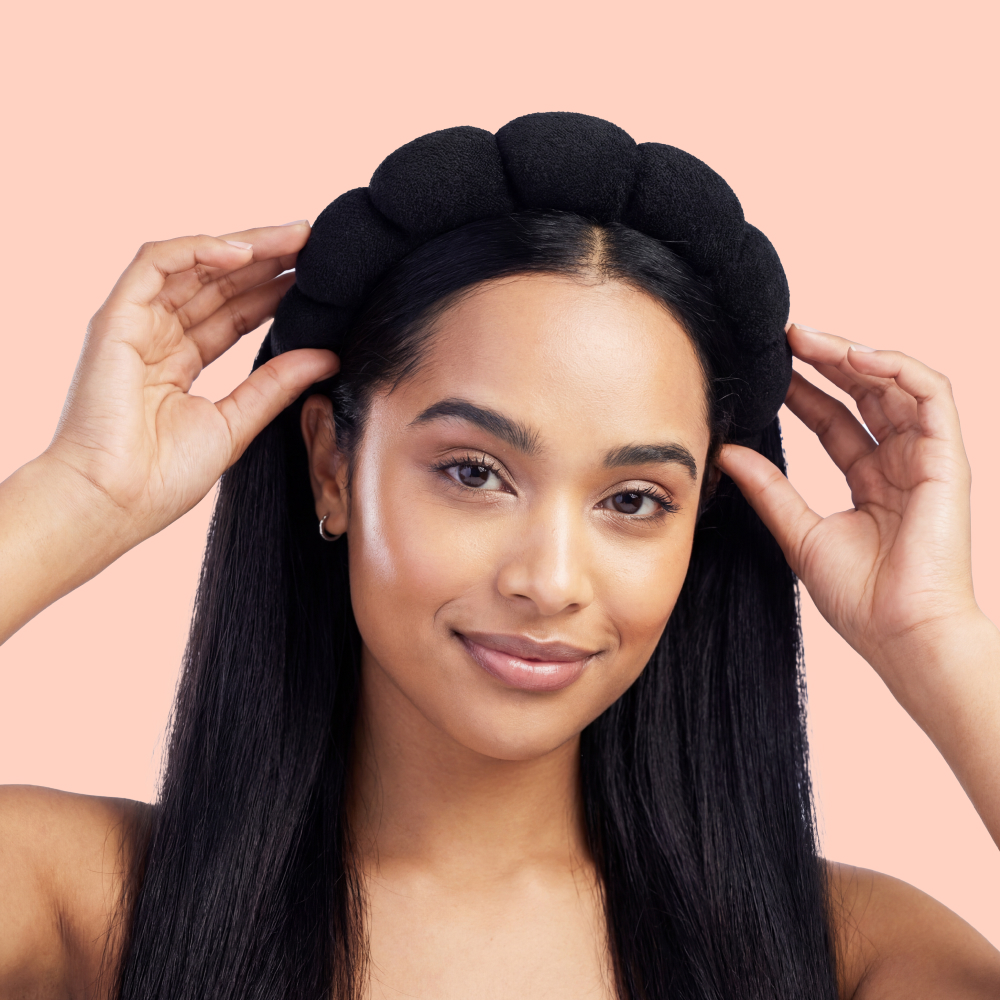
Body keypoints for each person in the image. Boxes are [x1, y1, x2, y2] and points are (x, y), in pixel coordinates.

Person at [1, 115, 999, 1000]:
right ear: (333, 468)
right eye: (475, 472)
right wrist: (75, 499)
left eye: (634, 499)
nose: (549, 580)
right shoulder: (85, 905)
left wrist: (937, 639)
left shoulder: (850, 956)